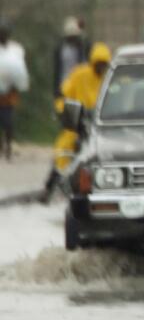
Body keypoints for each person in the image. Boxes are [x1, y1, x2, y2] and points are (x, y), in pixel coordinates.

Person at [42, 43, 109, 202]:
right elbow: (65, 93)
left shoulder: (107, 79)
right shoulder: (80, 74)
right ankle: (49, 187)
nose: (100, 67)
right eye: (98, 64)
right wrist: (62, 110)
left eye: (103, 64)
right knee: (63, 150)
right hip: (77, 122)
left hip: (100, 126)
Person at [0, 18, 30, 161]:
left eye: (4, 33)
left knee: (8, 122)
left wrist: (17, 84)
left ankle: (9, 147)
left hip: (10, 93)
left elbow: (20, 71)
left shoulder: (15, 49)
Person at [52, 16, 88, 100]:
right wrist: (56, 90)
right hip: (64, 87)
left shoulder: (82, 48)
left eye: (74, 37)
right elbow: (57, 71)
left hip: (79, 87)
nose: (72, 39)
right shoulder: (61, 50)